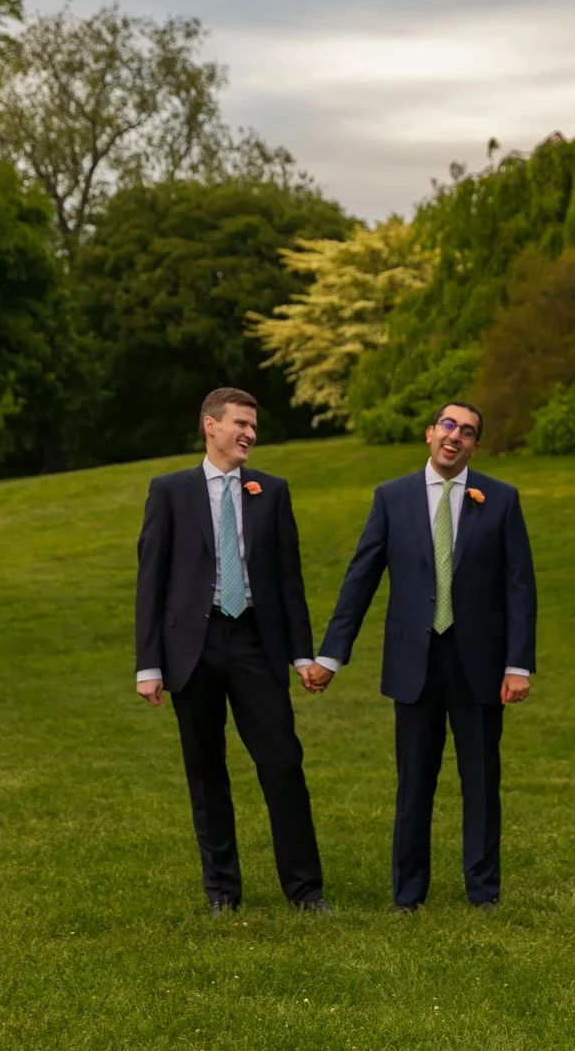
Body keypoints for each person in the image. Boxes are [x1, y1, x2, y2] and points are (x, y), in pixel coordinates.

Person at [314, 400, 537, 911]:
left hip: (479, 664)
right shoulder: (392, 498)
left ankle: (483, 893)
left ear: (475, 446)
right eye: (448, 425)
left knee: (481, 781)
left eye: (468, 432)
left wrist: (517, 663)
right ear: (430, 433)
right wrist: (332, 655)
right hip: (412, 662)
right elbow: (360, 579)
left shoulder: (500, 499)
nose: (455, 436)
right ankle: (408, 895)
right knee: (414, 782)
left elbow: (518, 585)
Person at [134, 387, 333, 915]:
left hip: (254, 644)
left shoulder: (272, 490)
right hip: (191, 649)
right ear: (210, 425)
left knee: (283, 763)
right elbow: (150, 582)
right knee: (206, 771)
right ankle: (222, 890)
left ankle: (305, 891)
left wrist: (301, 655)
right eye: (240, 424)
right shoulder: (170, 491)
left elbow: (290, 583)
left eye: (253, 427)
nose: (249, 434)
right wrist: (148, 665)